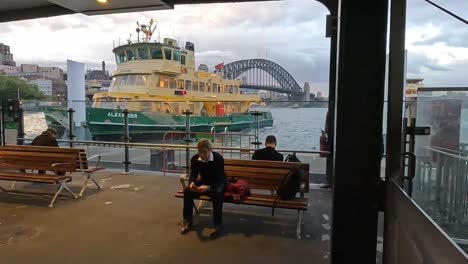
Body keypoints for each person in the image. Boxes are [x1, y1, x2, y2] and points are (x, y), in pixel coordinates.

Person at [180, 138, 226, 238]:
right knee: (188, 190)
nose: (201, 155)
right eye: (200, 152)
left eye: (204, 152)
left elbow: (220, 179)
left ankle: (217, 224)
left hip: (217, 183)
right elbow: (193, 175)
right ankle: (187, 220)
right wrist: (192, 183)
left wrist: (209, 187)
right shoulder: (195, 159)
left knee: (218, 194)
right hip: (204, 182)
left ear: (210, 150)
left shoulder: (218, 159)